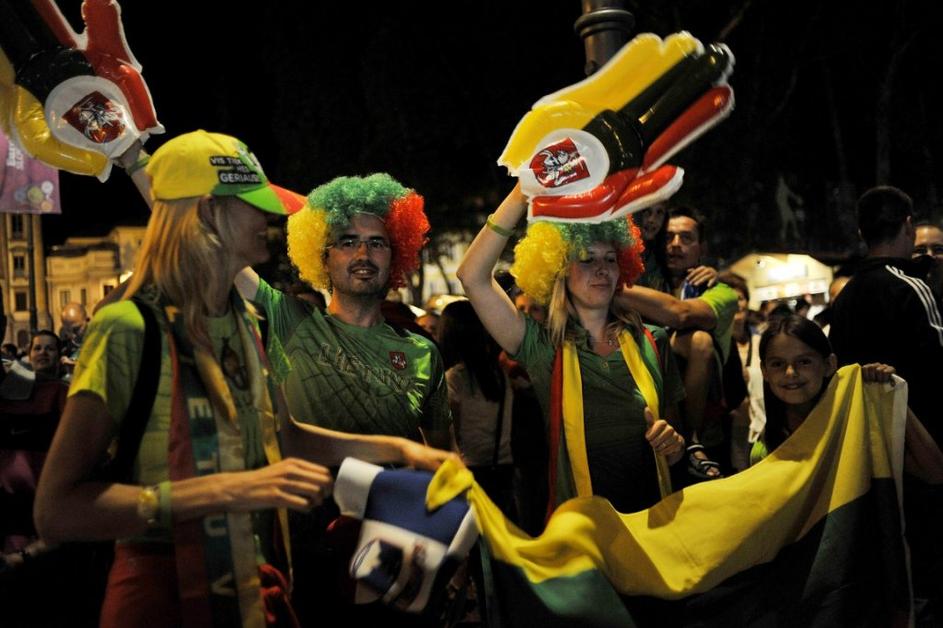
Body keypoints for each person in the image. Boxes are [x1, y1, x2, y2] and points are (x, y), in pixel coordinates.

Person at [33, 131, 451, 628]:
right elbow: (54, 512)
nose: (268, 219)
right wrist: (234, 491)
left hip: (251, 589)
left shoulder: (247, 324)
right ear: (210, 213)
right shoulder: (127, 327)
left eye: (376, 242)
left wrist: (401, 450)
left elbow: (285, 436)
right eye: (253, 203)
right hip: (165, 598)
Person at [457, 185, 685, 515]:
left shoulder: (653, 341)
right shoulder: (542, 347)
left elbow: (675, 439)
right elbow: (471, 276)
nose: (602, 269)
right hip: (582, 531)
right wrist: (523, 192)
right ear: (559, 270)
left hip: (653, 524)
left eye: (610, 259)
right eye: (587, 258)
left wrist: (675, 446)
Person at [234, 173, 452, 449]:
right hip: (310, 479)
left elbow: (443, 453)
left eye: (377, 243)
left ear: (395, 257)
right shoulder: (288, 318)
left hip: (398, 479)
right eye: (347, 242)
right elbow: (223, 254)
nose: (363, 255)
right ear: (323, 258)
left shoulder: (423, 353)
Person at [619, 207, 740, 479]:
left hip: (709, 436)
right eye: (668, 237)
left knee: (699, 340)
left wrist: (605, 285)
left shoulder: (720, 291)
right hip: (649, 429)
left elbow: (681, 314)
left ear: (702, 247)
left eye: (686, 238)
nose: (675, 245)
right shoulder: (647, 280)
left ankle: (691, 441)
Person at [750, 315, 943, 479]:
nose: (790, 372)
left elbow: (934, 471)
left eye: (804, 362)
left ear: (829, 364)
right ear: (764, 371)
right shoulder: (764, 451)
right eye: (777, 364)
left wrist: (887, 394)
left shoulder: (860, 424)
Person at [440, 299, 516, 517]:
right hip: (504, 468)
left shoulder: (455, 378)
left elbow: (450, 433)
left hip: (470, 470)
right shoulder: (499, 374)